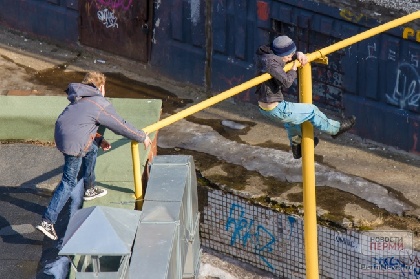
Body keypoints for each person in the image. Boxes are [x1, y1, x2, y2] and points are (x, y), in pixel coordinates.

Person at [36, 71, 152, 240]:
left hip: (63, 135)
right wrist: (142, 136)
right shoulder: (99, 103)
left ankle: (89, 189)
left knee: (91, 149)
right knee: (68, 181)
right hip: (74, 142)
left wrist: (100, 140)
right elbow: (120, 125)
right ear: (101, 87)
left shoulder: (79, 97)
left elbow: (83, 124)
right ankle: (48, 220)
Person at [255, 35, 356, 159]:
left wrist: (298, 54)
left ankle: (297, 147)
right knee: (311, 111)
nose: (289, 58)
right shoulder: (272, 64)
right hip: (275, 108)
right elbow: (287, 82)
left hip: (267, 107)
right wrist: (293, 68)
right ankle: (335, 129)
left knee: (293, 121)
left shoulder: (269, 54)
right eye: (289, 56)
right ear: (282, 54)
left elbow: (286, 56)